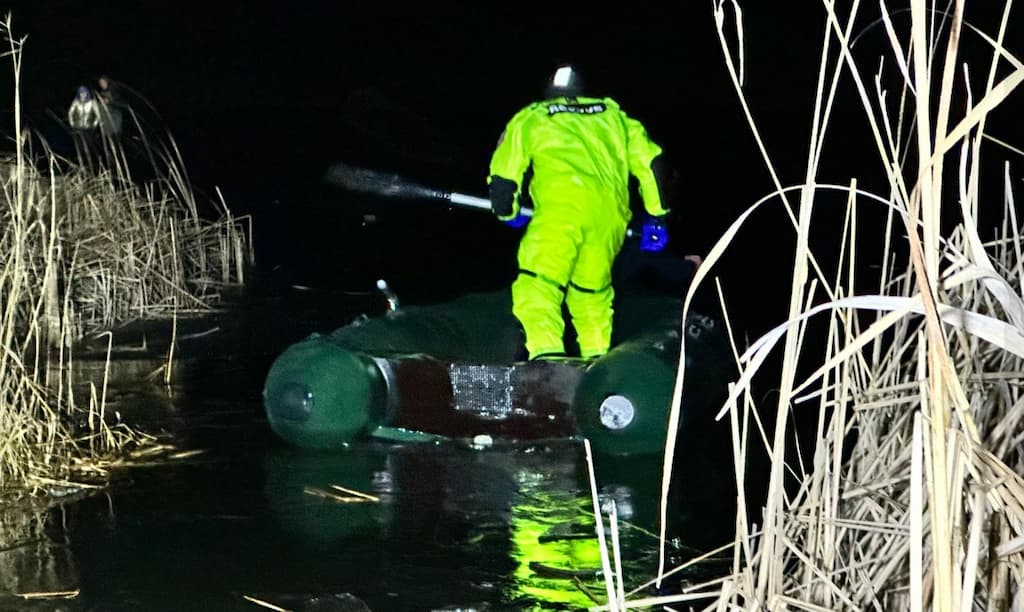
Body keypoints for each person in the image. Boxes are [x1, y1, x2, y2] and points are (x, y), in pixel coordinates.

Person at [487, 64, 674, 360]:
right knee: (592, 296)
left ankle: (548, 362)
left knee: (538, 284)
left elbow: (504, 175)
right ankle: (597, 363)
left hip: (560, 213)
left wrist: (507, 213)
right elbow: (652, 165)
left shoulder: (533, 117)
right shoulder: (615, 116)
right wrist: (656, 216)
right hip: (609, 220)